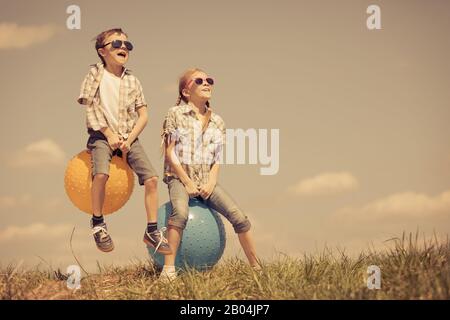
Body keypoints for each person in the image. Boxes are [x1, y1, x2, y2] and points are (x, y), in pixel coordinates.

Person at [77, 28, 171, 255]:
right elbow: (90, 106)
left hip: (129, 137)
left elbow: (144, 115)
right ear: (102, 51)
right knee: (101, 174)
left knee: (151, 179)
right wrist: (109, 134)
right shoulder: (95, 75)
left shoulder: (133, 81)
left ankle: (151, 230)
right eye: (116, 44)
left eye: (127, 45)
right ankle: (98, 222)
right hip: (102, 135)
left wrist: (128, 140)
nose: (123, 48)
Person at [160, 68, 259, 281]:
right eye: (199, 80)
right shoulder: (175, 114)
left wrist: (211, 182)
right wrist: (186, 181)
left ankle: (257, 269)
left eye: (209, 80)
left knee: (240, 219)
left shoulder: (218, 122)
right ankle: (168, 270)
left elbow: (217, 158)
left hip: (206, 180)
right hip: (179, 178)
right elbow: (169, 152)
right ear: (186, 92)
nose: (206, 83)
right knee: (180, 213)